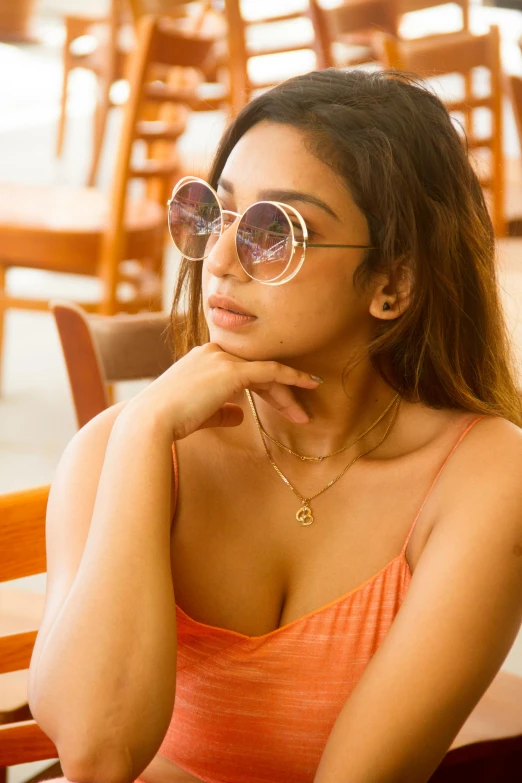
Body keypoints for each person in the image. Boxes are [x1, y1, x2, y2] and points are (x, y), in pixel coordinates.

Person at [28, 68, 522, 783]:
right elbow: (95, 756)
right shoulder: (118, 446)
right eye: (214, 214)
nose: (221, 261)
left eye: (276, 231)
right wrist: (142, 433)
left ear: (393, 285)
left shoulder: (486, 479)